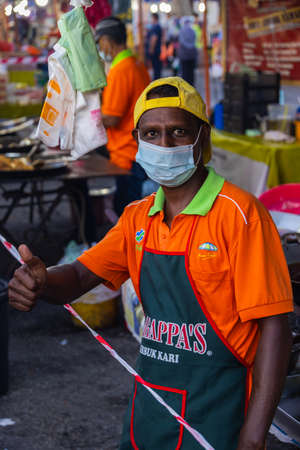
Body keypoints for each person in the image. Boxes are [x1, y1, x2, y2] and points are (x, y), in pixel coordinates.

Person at [9, 77, 293, 450]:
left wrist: (254, 436)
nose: (165, 144)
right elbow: (79, 275)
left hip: (222, 408)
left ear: (201, 139)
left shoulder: (239, 215)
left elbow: (275, 324)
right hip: (154, 403)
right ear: (138, 140)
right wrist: (41, 283)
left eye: (178, 131)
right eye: (152, 133)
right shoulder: (136, 218)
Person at [95, 16, 150, 215]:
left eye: (100, 42)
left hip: (128, 153)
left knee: (128, 213)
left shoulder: (121, 70)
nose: (101, 47)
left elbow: (112, 117)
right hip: (139, 148)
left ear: (107, 41)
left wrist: (85, 119)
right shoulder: (136, 63)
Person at [178, 18, 197, 85]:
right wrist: (191, 47)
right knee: (191, 71)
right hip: (191, 54)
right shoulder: (192, 31)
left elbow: (182, 42)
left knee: (185, 71)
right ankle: (191, 85)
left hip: (184, 54)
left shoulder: (181, 31)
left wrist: (187, 47)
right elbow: (194, 41)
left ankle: (186, 85)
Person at [145, 13, 162, 80]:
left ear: (154, 18)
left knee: (156, 67)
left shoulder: (156, 27)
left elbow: (154, 38)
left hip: (155, 50)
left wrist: (151, 49)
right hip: (156, 49)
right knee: (156, 67)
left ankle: (156, 80)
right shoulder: (156, 26)